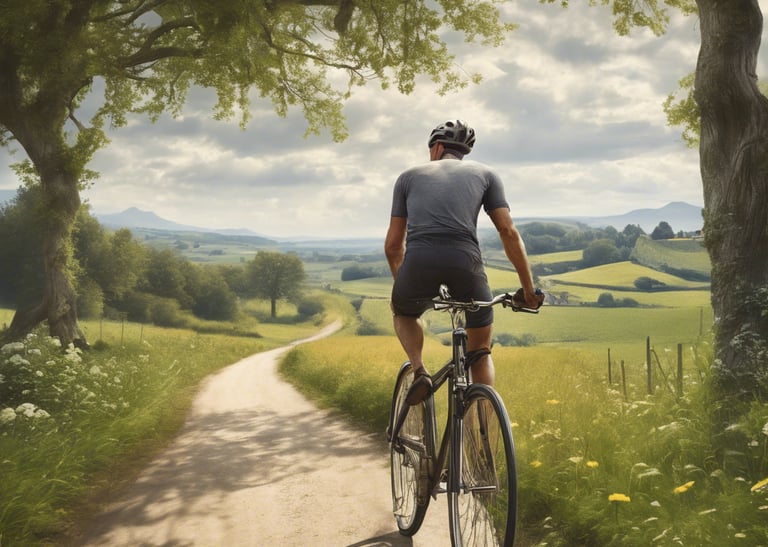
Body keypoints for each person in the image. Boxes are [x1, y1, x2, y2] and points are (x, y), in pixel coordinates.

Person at [384, 119, 541, 406]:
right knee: (480, 350)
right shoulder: (487, 174)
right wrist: (528, 290)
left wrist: (406, 289)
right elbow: (508, 231)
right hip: (466, 263)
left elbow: (394, 246)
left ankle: (419, 369)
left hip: (419, 261)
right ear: (463, 152)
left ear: (437, 148)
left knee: (403, 313)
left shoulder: (408, 177)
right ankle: (482, 426)